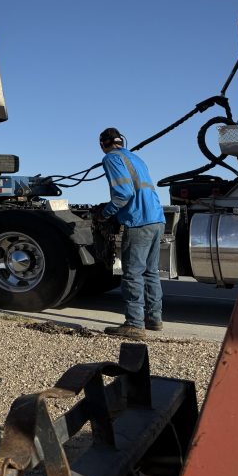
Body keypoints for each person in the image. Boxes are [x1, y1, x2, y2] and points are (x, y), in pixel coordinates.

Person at [95, 127, 165, 339]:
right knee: (150, 272)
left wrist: (105, 214)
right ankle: (154, 319)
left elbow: (123, 194)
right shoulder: (136, 158)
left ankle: (134, 324)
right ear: (121, 141)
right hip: (156, 219)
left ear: (102, 144)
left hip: (138, 221)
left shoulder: (111, 159)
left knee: (133, 273)